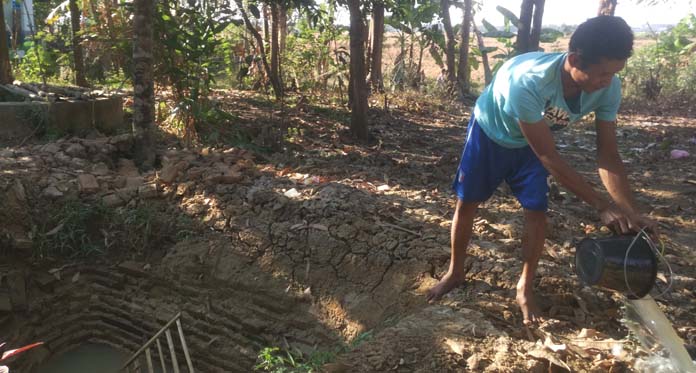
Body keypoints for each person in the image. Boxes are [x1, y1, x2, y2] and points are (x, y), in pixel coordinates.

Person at [427, 16, 658, 324]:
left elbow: (608, 154)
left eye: (615, 73)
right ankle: (455, 271)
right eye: (603, 73)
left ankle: (525, 286)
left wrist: (630, 211)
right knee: (467, 203)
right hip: (491, 133)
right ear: (575, 59)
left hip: (534, 141)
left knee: (536, 212)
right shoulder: (529, 82)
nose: (608, 81)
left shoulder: (608, 87)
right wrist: (601, 205)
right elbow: (548, 155)